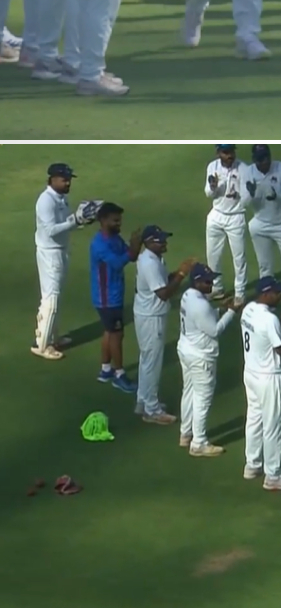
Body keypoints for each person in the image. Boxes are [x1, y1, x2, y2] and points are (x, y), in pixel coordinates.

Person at [240, 275, 281, 487]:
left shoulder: (249, 309)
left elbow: (265, 336)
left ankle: (252, 464)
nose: (280, 295)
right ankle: (273, 475)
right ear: (266, 294)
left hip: (251, 372)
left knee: (254, 419)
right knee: (274, 425)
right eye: (276, 292)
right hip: (269, 377)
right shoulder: (269, 320)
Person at [133, 225, 195, 425]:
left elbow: (163, 281)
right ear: (150, 243)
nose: (165, 243)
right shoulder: (149, 262)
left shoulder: (152, 258)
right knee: (152, 362)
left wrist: (177, 272)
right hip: (151, 316)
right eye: (160, 240)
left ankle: (143, 401)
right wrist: (182, 274)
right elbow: (164, 293)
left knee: (146, 359)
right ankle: (151, 409)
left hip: (147, 313)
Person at [177, 263, 236, 455]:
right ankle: (199, 443)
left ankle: (186, 434)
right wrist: (232, 311)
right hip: (200, 356)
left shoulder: (188, 296)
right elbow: (214, 330)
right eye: (207, 281)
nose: (211, 284)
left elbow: (203, 319)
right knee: (202, 397)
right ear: (197, 282)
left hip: (186, 349)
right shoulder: (200, 304)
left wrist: (220, 310)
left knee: (189, 391)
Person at [243, 144, 281, 319]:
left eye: (266, 158)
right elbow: (244, 202)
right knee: (265, 267)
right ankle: (267, 305)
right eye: (260, 159)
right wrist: (251, 193)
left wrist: (278, 196)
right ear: (254, 160)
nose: (264, 162)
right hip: (260, 224)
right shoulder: (248, 172)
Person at [88, 202, 142, 392]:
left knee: (109, 331)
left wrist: (134, 248)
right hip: (107, 299)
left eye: (119, 219)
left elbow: (130, 255)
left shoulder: (114, 238)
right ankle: (119, 374)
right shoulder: (100, 245)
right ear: (103, 220)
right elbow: (118, 263)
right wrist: (132, 250)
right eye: (115, 220)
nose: (119, 223)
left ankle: (105, 370)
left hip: (111, 296)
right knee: (117, 335)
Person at [33, 161, 84, 359]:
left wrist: (79, 220)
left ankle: (54, 337)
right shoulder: (46, 201)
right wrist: (75, 221)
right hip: (50, 253)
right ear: (52, 179)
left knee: (57, 297)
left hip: (61, 251)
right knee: (51, 298)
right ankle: (42, 345)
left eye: (69, 179)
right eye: (64, 180)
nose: (68, 183)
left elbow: (64, 224)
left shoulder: (61, 198)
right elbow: (51, 230)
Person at [204, 144, 248, 305]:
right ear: (218, 153)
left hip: (236, 217)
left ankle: (240, 293)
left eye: (232, 152)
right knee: (212, 255)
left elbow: (248, 196)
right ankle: (217, 288)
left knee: (239, 258)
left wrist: (241, 194)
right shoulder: (212, 167)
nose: (230, 155)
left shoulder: (244, 168)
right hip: (216, 215)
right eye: (226, 152)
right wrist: (213, 186)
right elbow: (208, 193)